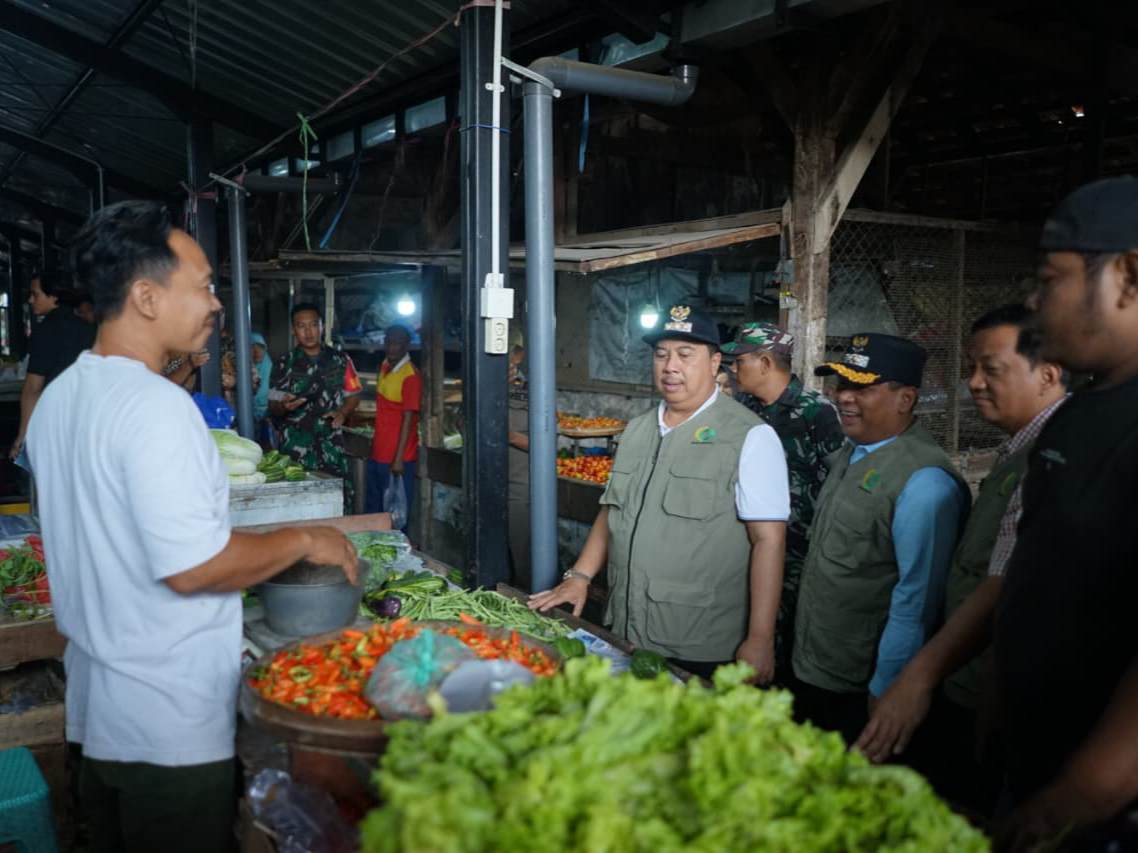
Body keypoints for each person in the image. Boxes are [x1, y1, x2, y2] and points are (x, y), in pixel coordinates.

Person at [25, 201, 357, 853]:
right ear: (146, 297)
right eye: (203, 285)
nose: (214, 303)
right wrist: (307, 538)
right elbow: (193, 565)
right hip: (167, 728)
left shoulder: (61, 398)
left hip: (97, 714)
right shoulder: (156, 408)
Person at [854, 305, 1067, 811]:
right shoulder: (1020, 450)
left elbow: (1003, 585)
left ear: (1048, 374)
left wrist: (915, 676)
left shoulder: (1054, 457)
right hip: (967, 680)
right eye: (971, 368)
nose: (973, 383)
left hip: (996, 695)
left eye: (990, 370)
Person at [990, 177, 1138, 850]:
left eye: (1051, 277)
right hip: (1036, 769)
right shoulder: (1076, 418)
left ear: (1128, 277)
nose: (1034, 300)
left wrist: (1072, 803)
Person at [529, 305, 790, 683]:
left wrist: (760, 637)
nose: (670, 366)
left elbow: (769, 540)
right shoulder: (636, 430)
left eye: (685, 355)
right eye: (661, 354)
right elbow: (612, 510)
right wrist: (581, 575)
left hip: (699, 638)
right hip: (624, 626)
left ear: (715, 362)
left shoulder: (749, 437)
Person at [790, 333, 970, 745]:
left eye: (861, 387)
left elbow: (917, 598)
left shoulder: (924, 483)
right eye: (841, 385)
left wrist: (889, 687)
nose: (843, 397)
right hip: (816, 662)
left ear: (905, 399)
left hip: (862, 683)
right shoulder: (851, 453)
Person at [723, 322, 844, 674]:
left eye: (739, 360)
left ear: (764, 363)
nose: (733, 368)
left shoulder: (815, 412)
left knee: (779, 638)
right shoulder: (745, 408)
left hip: (798, 550)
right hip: (749, 541)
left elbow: (839, 481)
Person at [270, 304, 362, 508]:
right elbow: (273, 406)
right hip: (295, 447)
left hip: (331, 444)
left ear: (322, 326)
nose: (308, 331)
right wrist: (284, 407)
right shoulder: (284, 363)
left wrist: (342, 412)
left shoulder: (341, 360)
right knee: (297, 503)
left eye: (313, 325)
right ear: (294, 330)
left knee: (337, 500)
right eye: (301, 326)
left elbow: (354, 395)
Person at [9, 270, 95, 460]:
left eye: (35, 294)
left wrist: (22, 436)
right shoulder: (89, 329)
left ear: (54, 297)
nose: (31, 300)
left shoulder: (45, 331)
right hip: (87, 420)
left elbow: (33, 388)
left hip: (54, 421)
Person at [366, 325, 421, 527]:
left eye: (397, 342)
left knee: (395, 518)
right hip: (378, 454)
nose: (391, 347)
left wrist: (397, 460)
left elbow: (409, 419)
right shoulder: (385, 366)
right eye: (388, 341)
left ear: (407, 345)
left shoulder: (411, 376)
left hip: (398, 460)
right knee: (374, 512)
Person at [506, 337, 531, 587]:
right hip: (488, 481)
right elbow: (462, 424)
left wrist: (506, 435)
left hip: (518, 485)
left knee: (520, 549)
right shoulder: (484, 385)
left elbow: (544, 444)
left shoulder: (532, 390)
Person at [251, 332, 273, 445]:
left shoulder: (268, 366)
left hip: (267, 414)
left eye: (260, 348)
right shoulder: (242, 366)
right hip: (249, 414)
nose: (257, 352)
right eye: (252, 348)